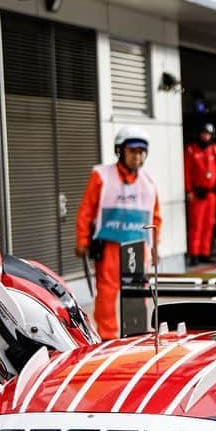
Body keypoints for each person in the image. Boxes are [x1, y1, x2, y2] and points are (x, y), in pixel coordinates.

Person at [74, 127, 161, 340]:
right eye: (133, 151)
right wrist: (82, 239)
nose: (137, 156)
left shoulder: (148, 181)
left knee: (138, 292)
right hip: (109, 244)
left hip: (138, 246)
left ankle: (136, 334)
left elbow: (155, 217)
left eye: (142, 152)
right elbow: (86, 209)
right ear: (120, 151)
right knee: (107, 293)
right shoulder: (101, 176)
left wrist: (156, 246)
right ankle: (107, 337)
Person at [184, 123, 216, 266]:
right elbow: (187, 171)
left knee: (209, 224)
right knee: (196, 225)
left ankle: (205, 252)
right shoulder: (191, 150)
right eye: (203, 133)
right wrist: (188, 190)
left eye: (208, 134)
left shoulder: (214, 150)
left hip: (211, 194)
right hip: (197, 194)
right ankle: (194, 254)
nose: (205, 136)